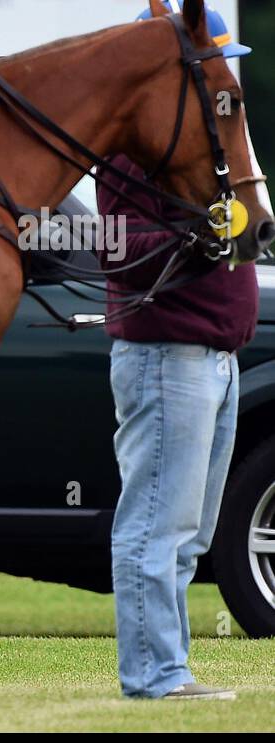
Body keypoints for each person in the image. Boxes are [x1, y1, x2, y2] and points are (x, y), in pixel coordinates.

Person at [101, 2, 255, 701]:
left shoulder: (206, 140)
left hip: (214, 357)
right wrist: (202, 238)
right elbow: (118, 250)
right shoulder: (134, 146)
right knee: (156, 526)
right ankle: (156, 675)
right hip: (169, 354)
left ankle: (168, 666)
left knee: (184, 536)